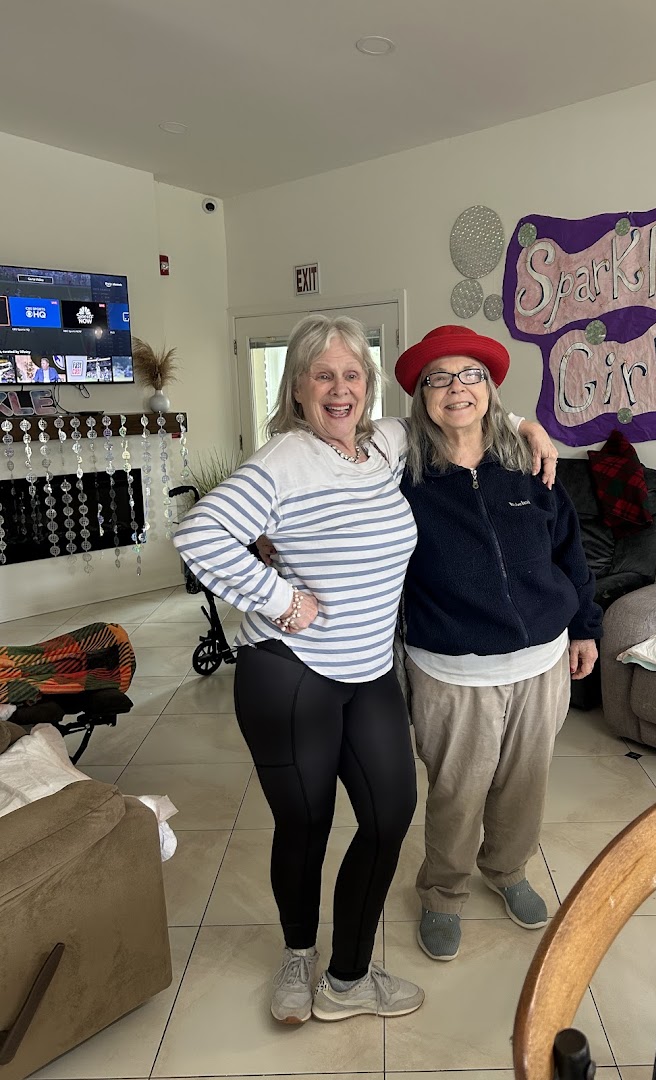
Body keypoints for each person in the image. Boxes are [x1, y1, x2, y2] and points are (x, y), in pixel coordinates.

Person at [173, 314, 557, 1025]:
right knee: (307, 824)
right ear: (297, 387)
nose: (339, 389)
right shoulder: (285, 459)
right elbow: (199, 534)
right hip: (290, 673)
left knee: (388, 816)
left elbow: (456, 407)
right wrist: (281, 599)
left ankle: (347, 978)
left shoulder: (385, 442)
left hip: (370, 672)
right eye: (322, 376)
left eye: (352, 374)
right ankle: (298, 956)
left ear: (370, 386)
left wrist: (527, 426)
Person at [393, 324, 602, 962]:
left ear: (489, 387)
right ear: (421, 395)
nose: (457, 388)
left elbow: (569, 551)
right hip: (451, 669)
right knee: (456, 794)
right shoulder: (400, 476)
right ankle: (443, 892)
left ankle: (508, 870)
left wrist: (585, 625)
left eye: (471, 375)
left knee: (525, 783)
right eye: (439, 378)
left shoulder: (530, 466)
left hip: (542, 660)